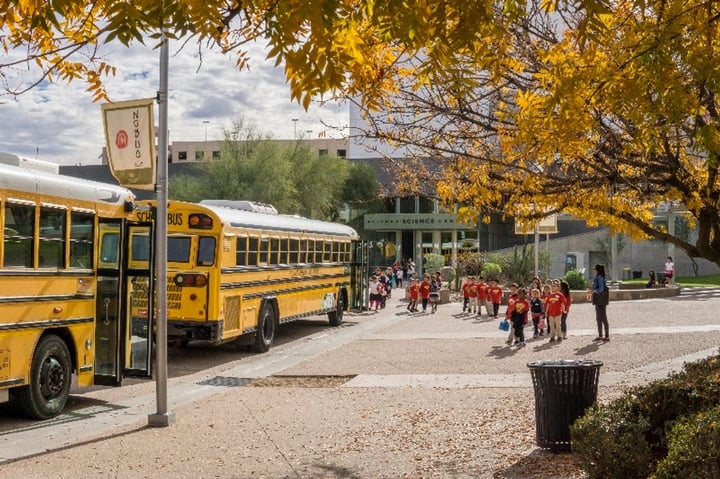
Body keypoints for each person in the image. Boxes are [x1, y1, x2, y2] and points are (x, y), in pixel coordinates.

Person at [589, 264, 610, 342]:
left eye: (595, 269)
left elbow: (601, 289)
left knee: (603, 317)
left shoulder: (600, 278)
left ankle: (606, 336)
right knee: (599, 318)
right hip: (599, 300)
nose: (594, 271)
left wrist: (593, 291)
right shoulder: (599, 277)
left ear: (598, 270)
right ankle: (601, 335)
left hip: (600, 299)